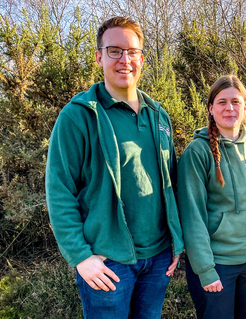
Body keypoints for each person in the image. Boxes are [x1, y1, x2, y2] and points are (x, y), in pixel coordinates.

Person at [45, 16, 183, 319]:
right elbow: (60, 189)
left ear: (142, 58)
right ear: (99, 57)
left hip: (158, 258)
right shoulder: (78, 116)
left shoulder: (159, 116)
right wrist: (81, 256)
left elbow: (170, 183)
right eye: (115, 51)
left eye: (132, 51)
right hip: (108, 262)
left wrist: (176, 240)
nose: (125, 60)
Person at [177, 75, 246, 319]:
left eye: (235, 102)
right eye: (221, 102)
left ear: (245, 106)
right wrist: (206, 269)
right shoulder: (197, 152)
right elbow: (192, 216)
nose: (229, 108)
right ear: (211, 109)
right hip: (217, 263)